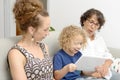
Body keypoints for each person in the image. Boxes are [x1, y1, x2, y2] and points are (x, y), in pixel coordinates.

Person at [7, 0, 53, 80]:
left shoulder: (44, 47)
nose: (48, 33)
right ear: (32, 30)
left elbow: (50, 77)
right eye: (45, 30)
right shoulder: (16, 54)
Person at [80, 8, 113, 80]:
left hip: (105, 74)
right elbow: (76, 63)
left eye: (97, 24)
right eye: (91, 22)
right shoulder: (76, 38)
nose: (93, 26)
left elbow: (108, 55)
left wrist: (106, 65)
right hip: (88, 76)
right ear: (84, 21)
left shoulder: (99, 39)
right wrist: (93, 73)